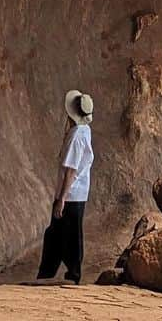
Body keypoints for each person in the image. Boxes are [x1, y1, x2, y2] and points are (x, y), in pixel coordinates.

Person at [36, 89, 94, 284]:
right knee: (62, 234)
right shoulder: (84, 130)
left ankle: (67, 274)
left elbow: (71, 170)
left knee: (61, 235)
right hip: (76, 193)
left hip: (71, 194)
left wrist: (61, 199)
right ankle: (56, 273)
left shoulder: (77, 135)